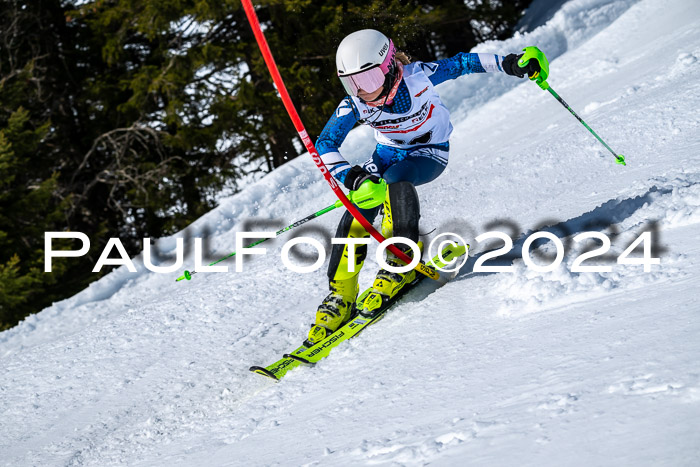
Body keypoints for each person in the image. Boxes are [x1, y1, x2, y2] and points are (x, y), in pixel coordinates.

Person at [307, 29, 549, 345]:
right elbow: (325, 143)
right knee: (359, 205)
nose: (362, 93)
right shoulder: (356, 103)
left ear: (388, 65)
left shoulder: (417, 77)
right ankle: (341, 292)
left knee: (396, 181)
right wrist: (353, 178)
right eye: (352, 84)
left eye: (366, 81)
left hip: (429, 152)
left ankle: (400, 262)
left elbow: (463, 63)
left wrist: (510, 63)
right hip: (387, 154)